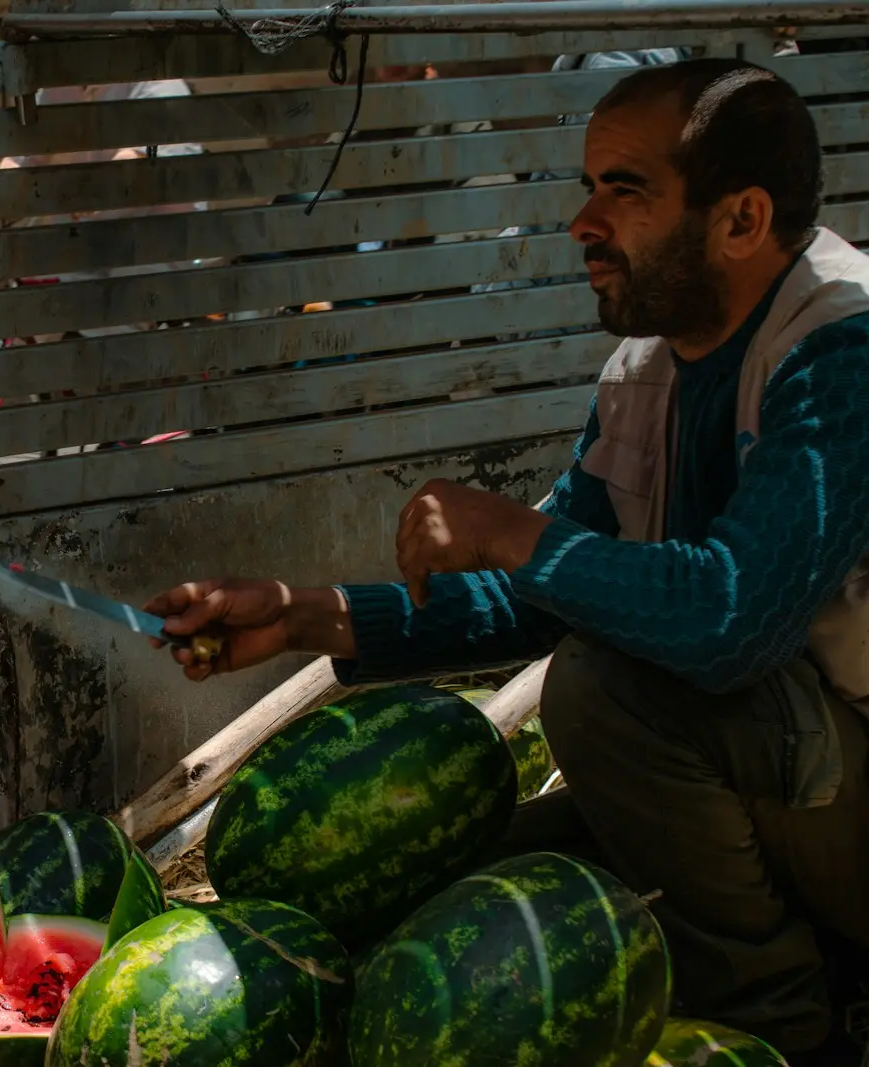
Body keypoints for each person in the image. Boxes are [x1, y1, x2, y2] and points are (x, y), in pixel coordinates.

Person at [145, 59, 869, 1067]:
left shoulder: (842, 349)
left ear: (741, 220)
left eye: (624, 190)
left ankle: (791, 1025)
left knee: (607, 689)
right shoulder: (649, 370)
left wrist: (514, 530)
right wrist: (307, 614)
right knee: (480, 868)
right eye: (586, 185)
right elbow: (545, 594)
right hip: (790, 787)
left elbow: (727, 621)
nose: (582, 220)